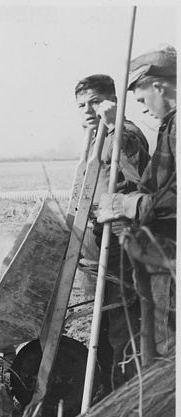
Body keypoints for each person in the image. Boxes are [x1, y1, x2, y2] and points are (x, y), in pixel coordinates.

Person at [97, 45, 176, 357]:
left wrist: (130, 205)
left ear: (159, 85)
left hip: (168, 254)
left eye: (142, 99)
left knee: (167, 348)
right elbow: (152, 183)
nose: (143, 108)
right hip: (158, 255)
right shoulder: (170, 126)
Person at [73, 74, 150, 391]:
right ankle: (106, 397)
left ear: (113, 102)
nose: (87, 110)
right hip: (95, 253)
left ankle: (128, 401)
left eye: (94, 102)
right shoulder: (95, 137)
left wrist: (113, 126)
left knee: (122, 331)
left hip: (118, 249)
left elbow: (140, 177)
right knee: (102, 333)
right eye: (81, 105)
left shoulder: (125, 134)